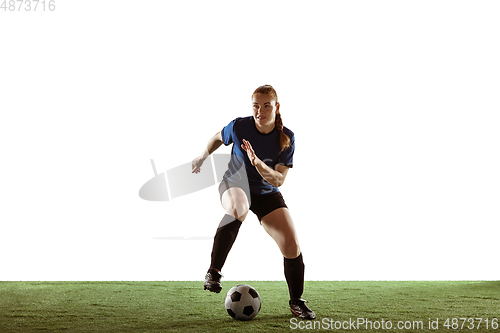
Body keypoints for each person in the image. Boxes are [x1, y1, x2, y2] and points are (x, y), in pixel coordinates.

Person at [191, 85, 315, 320]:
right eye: (256, 106)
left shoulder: (286, 137)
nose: (260, 111)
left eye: (266, 106)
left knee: (292, 244)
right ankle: (213, 272)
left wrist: (258, 163)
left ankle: (296, 301)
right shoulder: (239, 126)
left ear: (276, 108)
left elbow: (278, 180)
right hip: (235, 185)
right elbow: (218, 137)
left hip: (266, 193)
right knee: (239, 207)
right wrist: (202, 157)